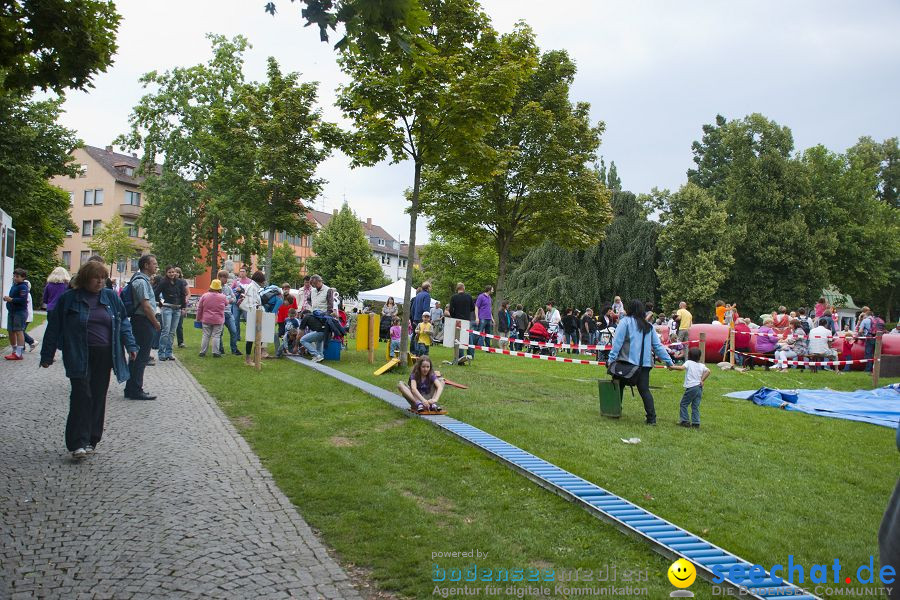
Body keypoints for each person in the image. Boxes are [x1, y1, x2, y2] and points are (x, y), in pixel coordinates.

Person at [41, 260, 138, 459]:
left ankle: (92, 439)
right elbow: (54, 327)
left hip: (105, 354)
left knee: (97, 396)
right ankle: (77, 442)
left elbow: (123, 322)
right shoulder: (69, 299)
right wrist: (47, 355)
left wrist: (131, 345)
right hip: (78, 353)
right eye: (96, 278)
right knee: (81, 395)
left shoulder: (110, 297)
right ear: (85, 278)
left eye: (103, 278)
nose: (100, 282)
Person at [607, 300, 674, 425]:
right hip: (645, 364)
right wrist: (669, 361)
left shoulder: (625, 322)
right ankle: (651, 418)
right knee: (644, 390)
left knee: (618, 385)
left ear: (629, 309)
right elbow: (658, 346)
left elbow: (617, 343)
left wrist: (611, 359)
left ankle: (615, 411)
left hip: (626, 363)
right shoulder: (649, 326)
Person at [123, 255, 161, 399]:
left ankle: (131, 388)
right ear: (146, 265)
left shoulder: (141, 280)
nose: (156, 266)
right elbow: (146, 306)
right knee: (140, 357)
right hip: (143, 322)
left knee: (137, 356)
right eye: (154, 264)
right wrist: (155, 323)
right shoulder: (141, 282)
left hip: (142, 321)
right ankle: (135, 389)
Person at [668, 347, 709, 428]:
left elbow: (681, 368)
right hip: (699, 388)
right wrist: (702, 380)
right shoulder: (701, 365)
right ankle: (696, 423)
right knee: (695, 406)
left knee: (683, 404)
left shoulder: (688, 362)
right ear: (699, 357)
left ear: (689, 356)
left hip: (691, 387)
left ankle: (685, 421)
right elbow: (708, 371)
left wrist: (672, 367)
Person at [154, 266, 184, 362]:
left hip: (177, 308)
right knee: (166, 330)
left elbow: (183, 294)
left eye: (173, 272)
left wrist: (183, 307)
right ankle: (161, 353)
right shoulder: (163, 282)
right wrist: (161, 303)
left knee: (172, 332)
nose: (172, 274)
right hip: (167, 308)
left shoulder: (179, 282)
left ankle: (169, 352)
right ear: (166, 273)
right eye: (169, 272)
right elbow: (156, 293)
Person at [196, 278, 228, 357]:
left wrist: (198, 318)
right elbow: (227, 303)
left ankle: (202, 352)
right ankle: (216, 352)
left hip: (206, 319)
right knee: (216, 336)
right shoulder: (223, 297)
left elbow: (200, 308)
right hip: (218, 319)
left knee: (206, 335)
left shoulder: (205, 296)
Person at [3, 268, 30, 360]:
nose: (15, 278)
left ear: (23, 277)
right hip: (12, 311)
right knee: (10, 331)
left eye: (17, 276)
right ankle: (14, 350)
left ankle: (19, 353)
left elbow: (23, 300)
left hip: (20, 312)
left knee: (19, 331)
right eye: (14, 276)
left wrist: (11, 300)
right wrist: (8, 298)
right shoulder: (14, 285)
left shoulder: (23, 287)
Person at [241, 270, 266, 365]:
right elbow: (252, 304)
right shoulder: (252, 287)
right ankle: (248, 359)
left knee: (257, 336)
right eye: (263, 279)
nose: (264, 282)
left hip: (255, 314)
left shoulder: (254, 287)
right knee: (251, 337)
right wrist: (261, 310)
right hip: (253, 314)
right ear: (260, 279)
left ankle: (256, 358)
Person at [447, 282, 476, 361]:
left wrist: (454, 316)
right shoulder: (469, 297)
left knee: (459, 338)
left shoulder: (453, 297)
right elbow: (473, 308)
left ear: (457, 288)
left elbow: (450, 310)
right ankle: (471, 355)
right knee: (469, 337)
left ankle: (460, 356)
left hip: (457, 320)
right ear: (464, 288)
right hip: (466, 319)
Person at [216, 270, 241, 356]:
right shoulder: (216, 287)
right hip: (220, 313)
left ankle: (234, 349)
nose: (226, 279)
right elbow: (217, 300)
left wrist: (227, 299)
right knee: (220, 332)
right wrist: (227, 299)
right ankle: (220, 349)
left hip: (228, 313)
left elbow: (234, 299)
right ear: (219, 277)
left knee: (234, 331)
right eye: (224, 277)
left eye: (227, 277)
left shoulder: (228, 288)